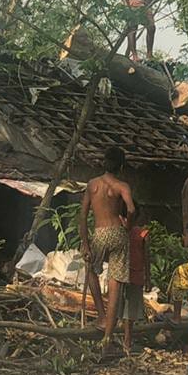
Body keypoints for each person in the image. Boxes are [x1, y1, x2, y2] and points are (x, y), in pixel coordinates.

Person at [79, 147, 135, 350]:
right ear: (121, 166)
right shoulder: (122, 186)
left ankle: (101, 317)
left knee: (91, 269)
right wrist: (127, 226)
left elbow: (83, 216)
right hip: (118, 234)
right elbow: (131, 209)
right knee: (115, 285)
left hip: (100, 233)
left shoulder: (92, 185)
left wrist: (85, 243)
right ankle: (108, 338)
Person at [121, 206, 150, 353]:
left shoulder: (122, 231)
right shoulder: (142, 234)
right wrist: (148, 278)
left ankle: (124, 339)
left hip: (121, 274)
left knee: (123, 308)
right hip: (136, 274)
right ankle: (127, 341)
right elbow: (147, 257)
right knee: (130, 310)